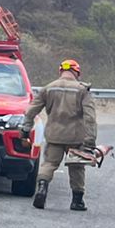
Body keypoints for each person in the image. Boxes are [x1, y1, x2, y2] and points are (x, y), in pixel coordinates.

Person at [21, 58, 97, 211]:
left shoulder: (49, 88)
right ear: (77, 72)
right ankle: (77, 202)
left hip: (54, 135)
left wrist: (25, 129)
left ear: (61, 71)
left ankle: (42, 189)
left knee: (49, 164)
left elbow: (31, 111)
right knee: (76, 168)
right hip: (75, 137)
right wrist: (90, 141)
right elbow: (90, 118)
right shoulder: (82, 90)